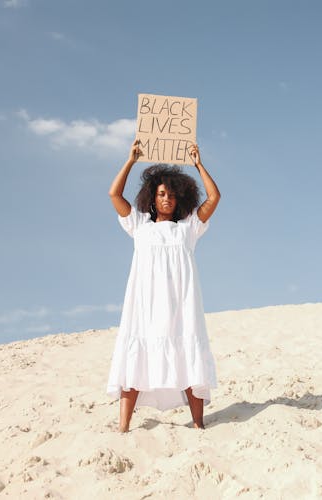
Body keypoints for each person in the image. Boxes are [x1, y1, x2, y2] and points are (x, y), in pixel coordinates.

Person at [106, 140, 220, 431]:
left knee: (187, 353)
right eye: (161, 194)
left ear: (180, 197)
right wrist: (131, 161)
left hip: (181, 303)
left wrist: (198, 164)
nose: (166, 199)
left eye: (171, 194)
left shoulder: (188, 228)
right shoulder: (139, 225)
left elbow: (214, 197)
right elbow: (114, 194)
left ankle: (198, 424)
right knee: (137, 358)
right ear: (152, 198)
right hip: (145, 303)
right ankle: (123, 427)